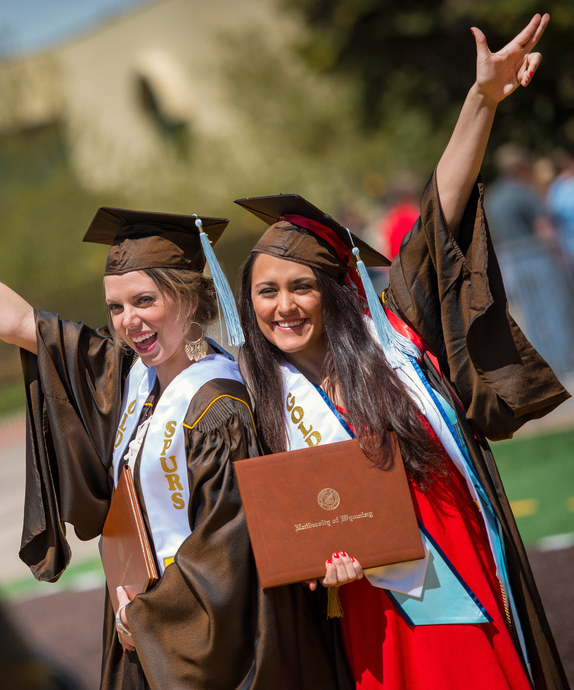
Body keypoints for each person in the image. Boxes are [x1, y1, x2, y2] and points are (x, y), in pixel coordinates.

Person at [0, 190, 349, 688]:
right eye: (117, 307)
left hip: (201, 642)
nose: (128, 321)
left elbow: (227, 556)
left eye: (145, 300)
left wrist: (145, 619)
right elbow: (19, 324)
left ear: (189, 299)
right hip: (144, 622)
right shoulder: (129, 376)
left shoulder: (220, 408)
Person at [236, 14, 569, 690]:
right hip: (376, 608)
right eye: (266, 291)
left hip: (464, 577)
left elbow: (438, 217)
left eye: (302, 286)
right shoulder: (254, 395)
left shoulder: (398, 339)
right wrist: (316, 571)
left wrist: (482, 99)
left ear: (337, 291)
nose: (284, 305)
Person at [485, 142, 574, 376]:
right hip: (537, 255)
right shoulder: (524, 191)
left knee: (532, 313)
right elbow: (543, 229)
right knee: (554, 307)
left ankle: (546, 364)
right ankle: (567, 363)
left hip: (513, 260)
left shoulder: (494, 196)